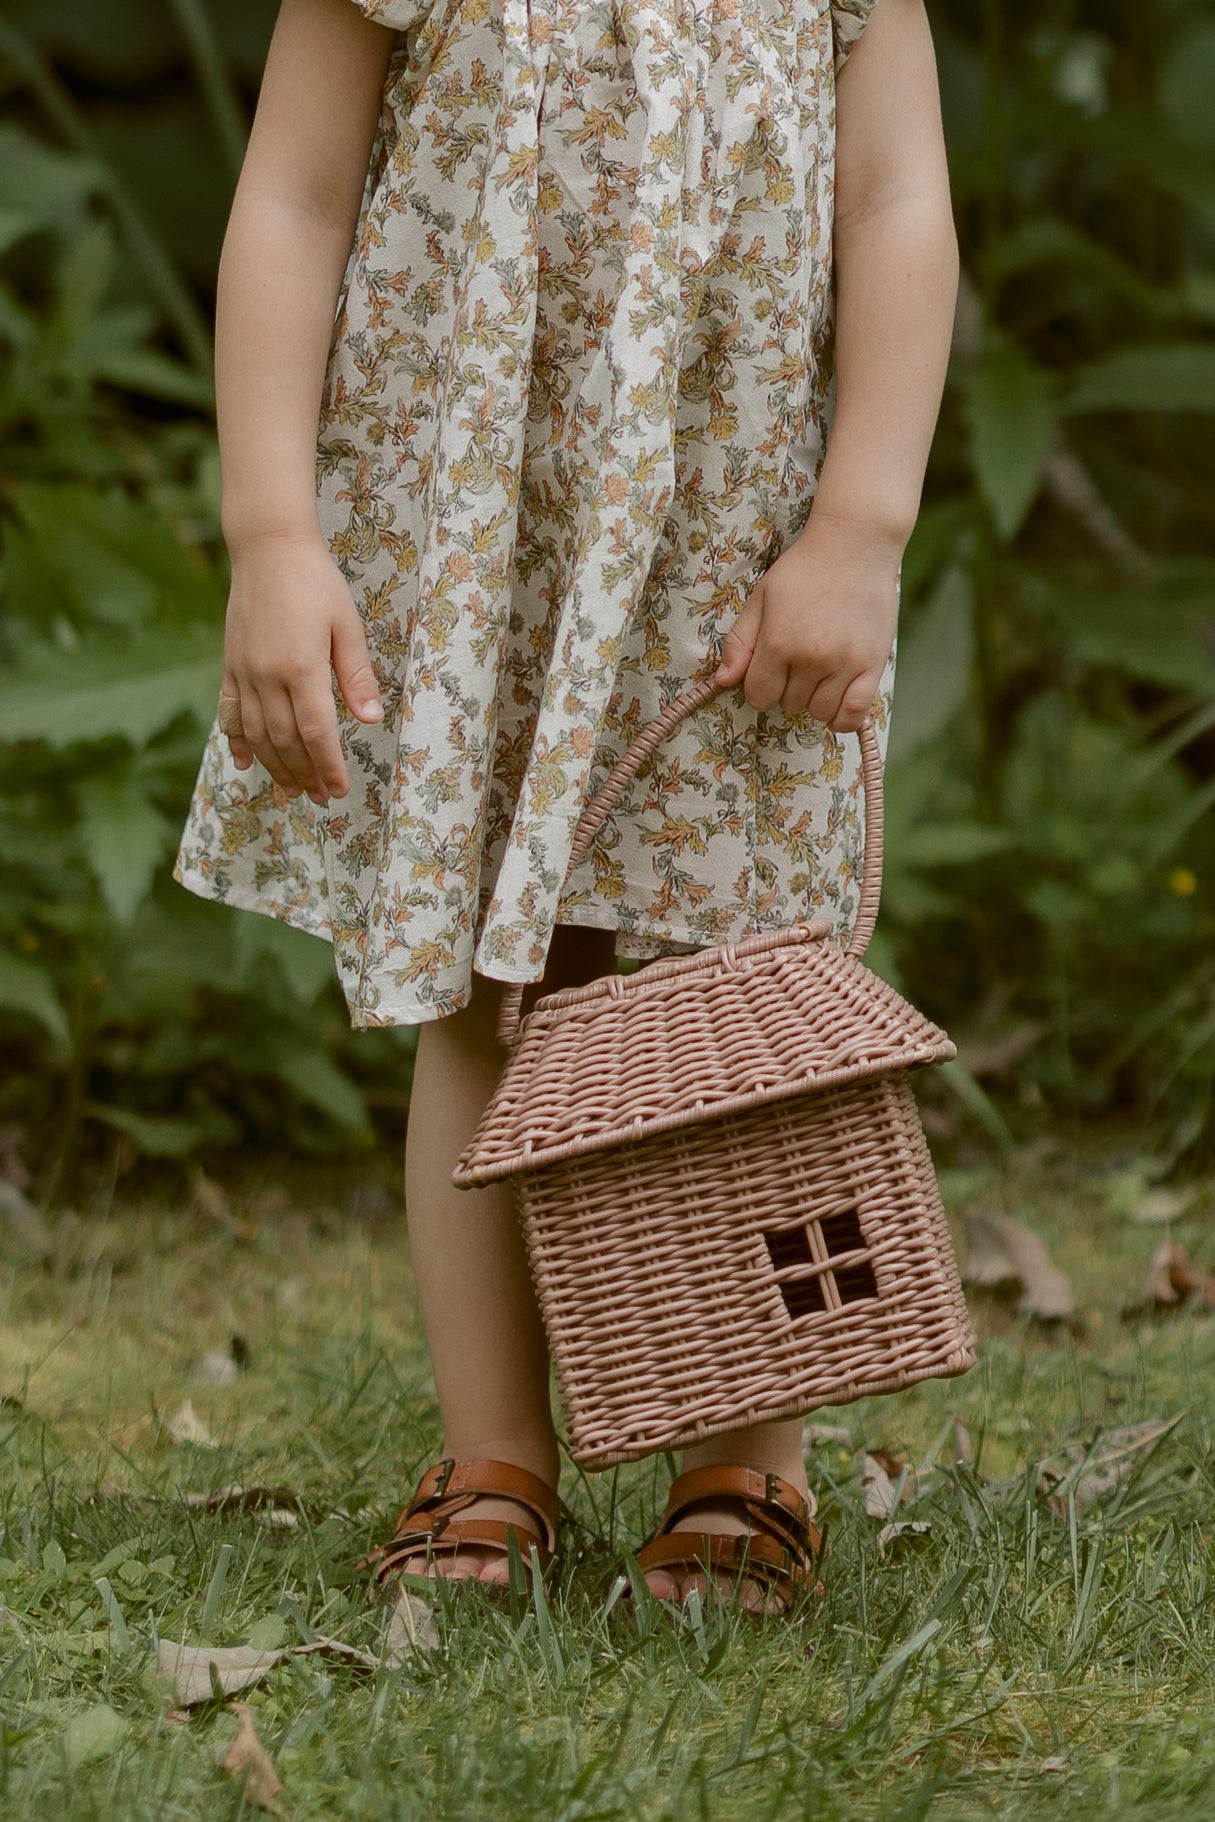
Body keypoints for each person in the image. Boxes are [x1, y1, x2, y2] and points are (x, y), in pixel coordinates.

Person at [174, 0, 957, 1615]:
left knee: (740, 983)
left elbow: (895, 201)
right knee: (485, 989)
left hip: (729, 545)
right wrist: (272, 535)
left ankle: (747, 1464)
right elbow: (292, 195)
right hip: (483, 536)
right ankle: (493, 1456)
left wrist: (861, 526)